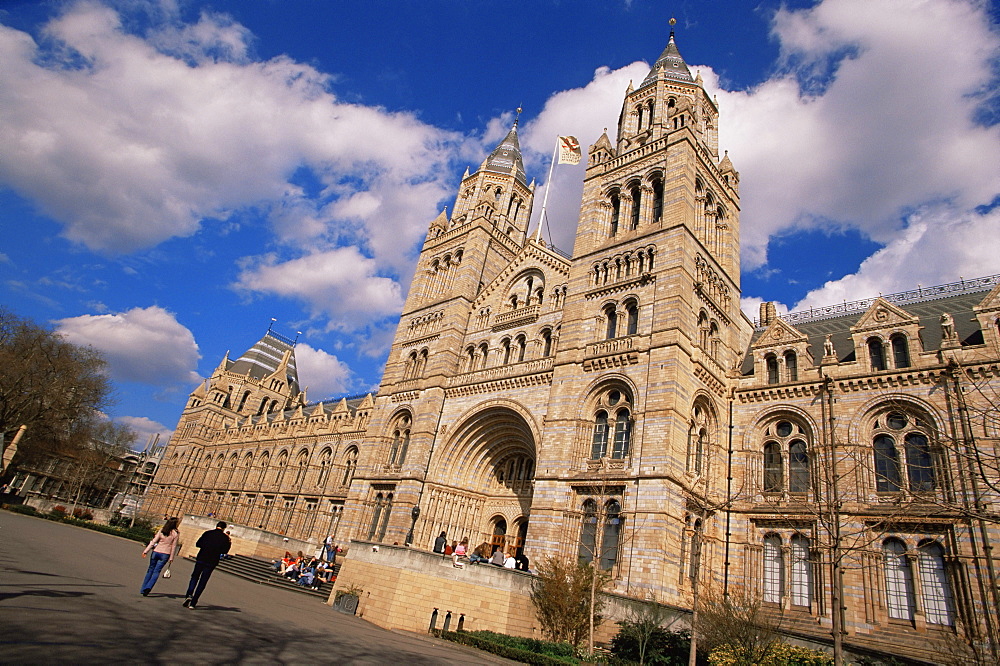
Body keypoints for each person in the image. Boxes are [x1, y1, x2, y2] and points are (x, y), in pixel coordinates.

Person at [183, 520, 231, 609]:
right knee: (203, 581)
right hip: (212, 561)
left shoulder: (208, 533)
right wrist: (229, 542)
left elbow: (198, 544)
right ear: (224, 528)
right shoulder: (224, 538)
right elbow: (225, 551)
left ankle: (189, 595)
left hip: (201, 558)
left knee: (194, 577)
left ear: (217, 526)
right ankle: (193, 603)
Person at [140, 516, 180, 596]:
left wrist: (146, 551)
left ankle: (143, 588)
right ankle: (149, 587)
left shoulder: (162, 530)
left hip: (156, 551)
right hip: (165, 553)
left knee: (150, 570)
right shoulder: (176, 533)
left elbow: (153, 541)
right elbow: (173, 546)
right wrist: (171, 558)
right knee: (156, 571)